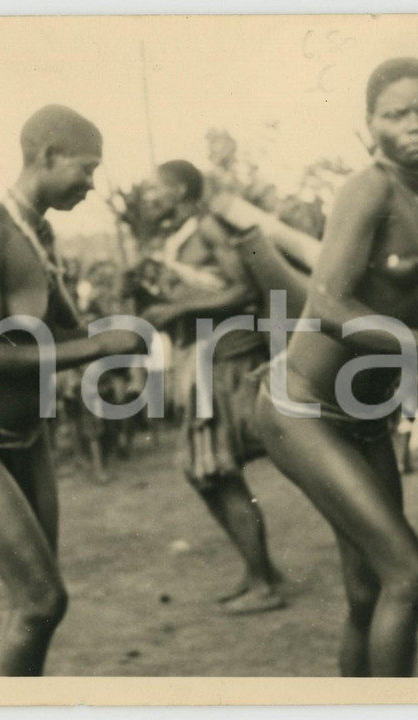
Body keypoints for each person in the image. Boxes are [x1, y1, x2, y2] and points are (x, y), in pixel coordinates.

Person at [0, 105, 144, 675]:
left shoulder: (38, 234)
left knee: (40, 606)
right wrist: (98, 346)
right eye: (86, 169)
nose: (92, 185)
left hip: (25, 435)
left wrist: (137, 325)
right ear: (47, 156)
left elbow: (69, 331)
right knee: (41, 599)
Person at [254, 58, 418, 676]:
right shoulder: (367, 188)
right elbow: (324, 305)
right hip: (305, 411)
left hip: (363, 418)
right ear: (369, 124)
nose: (416, 125)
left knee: (370, 591)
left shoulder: (416, 195)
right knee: (408, 575)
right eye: (398, 114)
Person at [138, 160, 310, 614]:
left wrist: (176, 313)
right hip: (202, 358)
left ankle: (262, 584)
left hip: (225, 358)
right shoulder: (182, 237)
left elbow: (243, 291)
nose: (151, 197)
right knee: (206, 474)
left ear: (178, 190)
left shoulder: (210, 228)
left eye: (157, 188)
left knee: (215, 470)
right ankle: (262, 572)